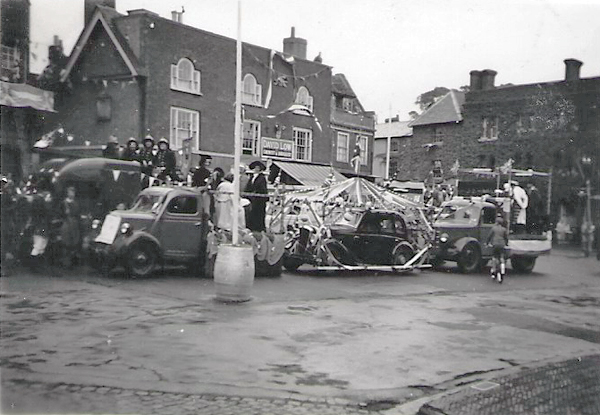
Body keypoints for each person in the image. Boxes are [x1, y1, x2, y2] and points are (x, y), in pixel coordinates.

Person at [59, 186, 81, 268]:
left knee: (74, 242)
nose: (72, 194)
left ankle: (72, 261)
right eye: (70, 192)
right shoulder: (64, 203)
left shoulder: (76, 203)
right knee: (65, 241)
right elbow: (60, 213)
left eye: (73, 192)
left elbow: (78, 213)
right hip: (67, 223)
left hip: (74, 224)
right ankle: (65, 261)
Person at [244, 160, 268, 232]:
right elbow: (248, 187)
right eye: (255, 167)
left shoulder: (262, 178)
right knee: (251, 214)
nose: (256, 169)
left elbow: (262, 189)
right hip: (251, 199)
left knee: (258, 215)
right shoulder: (251, 177)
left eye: (258, 167)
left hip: (259, 201)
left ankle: (258, 229)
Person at [486, 215, 509, 283]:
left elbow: (489, 237)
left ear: (496, 222)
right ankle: (502, 272)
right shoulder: (504, 229)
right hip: (502, 245)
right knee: (502, 258)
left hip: (495, 244)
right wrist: (506, 243)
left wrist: (487, 243)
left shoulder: (493, 228)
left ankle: (493, 273)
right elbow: (506, 238)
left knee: (494, 258)